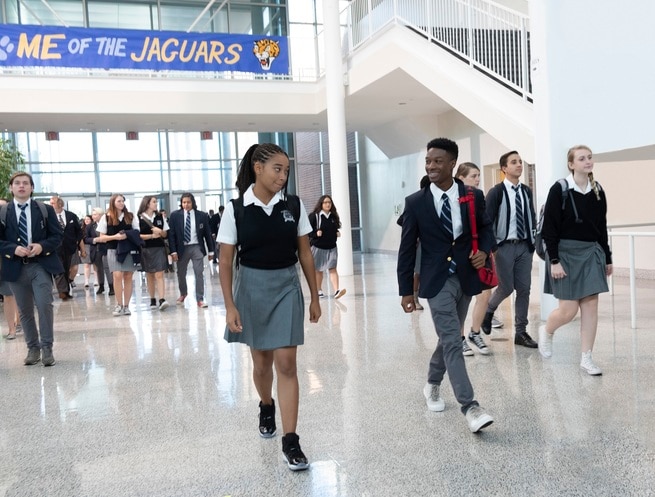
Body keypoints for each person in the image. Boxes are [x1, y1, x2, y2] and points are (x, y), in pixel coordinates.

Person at [218, 143, 321, 471]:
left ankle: (291, 440)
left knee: (287, 364)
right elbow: (225, 261)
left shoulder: (294, 205)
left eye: (286, 170)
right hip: (250, 287)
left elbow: (305, 253)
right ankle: (266, 404)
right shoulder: (236, 209)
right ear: (258, 168)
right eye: (277, 168)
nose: (283, 176)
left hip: (286, 287)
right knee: (261, 364)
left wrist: (315, 296)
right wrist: (230, 306)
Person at [397, 138, 494, 433]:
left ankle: (432, 384)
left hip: (465, 276)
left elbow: (488, 229)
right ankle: (471, 406)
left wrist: (482, 251)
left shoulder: (473, 196)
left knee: (448, 337)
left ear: (452, 163)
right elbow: (407, 248)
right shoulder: (415, 202)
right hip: (436, 279)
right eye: (428, 161)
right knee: (453, 339)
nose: (431, 166)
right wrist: (406, 291)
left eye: (438, 161)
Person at [538, 145, 612, 375]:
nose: (588, 161)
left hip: (591, 253)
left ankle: (587, 358)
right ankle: (547, 331)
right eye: (582, 158)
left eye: (589, 157)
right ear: (571, 164)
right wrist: (554, 260)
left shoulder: (598, 190)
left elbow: (601, 228)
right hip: (565, 254)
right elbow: (549, 228)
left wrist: (607, 258)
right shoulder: (559, 189)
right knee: (568, 311)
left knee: (590, 307)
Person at [0, 172, 63, 366]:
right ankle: (32, 348)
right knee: (25, 310)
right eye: (17, 183)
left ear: (32, 188)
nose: (21, 186)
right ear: (11, 188)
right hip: (15, 268)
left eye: (25, 183)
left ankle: (47, 348)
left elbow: (57, 235)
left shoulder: (44, 210)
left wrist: (42, 246)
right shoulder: (3, 212)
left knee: (45, 305)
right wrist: (12, 249)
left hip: (40, 265)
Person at [481, 151, 538, 349]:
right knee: (506, 287)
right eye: (514, 162)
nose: (519, 165)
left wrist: (533, 242)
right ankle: (488, 311)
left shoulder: (526, 191)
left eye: (520, 162)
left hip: (524, 246)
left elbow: (530, 215)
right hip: (504, 246)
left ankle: (520, 332)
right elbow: (486, 222)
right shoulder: (496, 192)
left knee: (524, 289)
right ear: (504, 168)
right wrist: (491, 247)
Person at [95, 194, 141, 316]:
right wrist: (115, 237)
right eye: (118, 201)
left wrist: (128, 234)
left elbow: (137, 232)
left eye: (122, 201)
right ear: (113, 202)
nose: (121, 203)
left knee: (128, 276)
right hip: (113, 249)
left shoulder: (131, 216)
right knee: (117, 275)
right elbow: (102, 237)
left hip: (128, 249)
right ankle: (118, 304)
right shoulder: (106, 217)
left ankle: (126, 305)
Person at [168, 193, 214, 308]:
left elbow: (207, 234)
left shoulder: (202, 215)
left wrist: (211, 251)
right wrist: (173, 251)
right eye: (184, 202)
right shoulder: (175, 216)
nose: (186, 205)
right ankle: (183, 293)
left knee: (199, 272)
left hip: (196, 247)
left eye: (188, 202)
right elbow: (171, 235)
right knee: (181, 273)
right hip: (181, 249)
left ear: (193, 202)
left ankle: (200, 298)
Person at [308, 195, 346, 299]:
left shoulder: (333, 216)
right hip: (318, 247)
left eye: (329, 202)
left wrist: (337, 232)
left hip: (332, 247)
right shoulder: (314, 216)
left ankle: (336, 291)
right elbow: (307, 231)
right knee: (318, 270)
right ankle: (319, 290)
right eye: (325, 202)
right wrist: (316, 234)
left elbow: (335, 227)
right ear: (321, 204)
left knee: (333, 268)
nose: (328, 204)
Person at [137, 195, 170, 311]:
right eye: (154, 202)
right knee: (150, 275)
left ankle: (162, 298)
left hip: (159, 248)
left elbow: (166, 234)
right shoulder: (138, 218)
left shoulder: (160, 217)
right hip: (146, 249)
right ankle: (152, 298)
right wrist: (151, 236)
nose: (156, 204)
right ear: (147, 204)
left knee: (159, 274)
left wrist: (160, 232)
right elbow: (137, 235)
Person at [50, 196, 85, 300]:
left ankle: (67, 288)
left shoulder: (71, 216)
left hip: (70, 247)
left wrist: (78, 243)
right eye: (50, 203)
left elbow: (79, 231)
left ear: (60, 204)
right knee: (59, 269)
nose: (51, 205)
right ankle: (63, 292)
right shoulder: (49, 217)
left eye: (53, 203)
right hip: (56, 248)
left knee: (68, 269)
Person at [81, 214, 95, 287]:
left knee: (96, 265)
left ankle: (97, 280)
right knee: (86, 264)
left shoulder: (94, 227)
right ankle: (86, 281)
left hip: (93, 246)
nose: (86, 220)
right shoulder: (82, 229)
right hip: (85, 246)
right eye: (85, 219)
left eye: (88, 219)